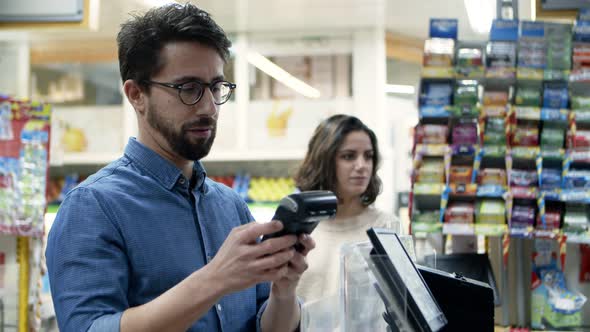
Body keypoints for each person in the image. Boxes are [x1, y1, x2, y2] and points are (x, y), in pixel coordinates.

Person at [45, 4, 314, 332]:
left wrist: (283, 292)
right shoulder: (92, 207)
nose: (208, 107)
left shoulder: (231, 207)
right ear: (136, 95)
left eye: (216, 87)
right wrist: (214, 280)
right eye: (188, 88)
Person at [294, 114, 399, 303]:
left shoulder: (386, 227)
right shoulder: (299, 228)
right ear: (324, 161)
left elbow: (402, 306)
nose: (362, 166)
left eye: (368, 156)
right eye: (348, 156)